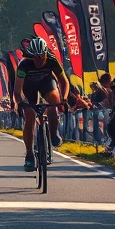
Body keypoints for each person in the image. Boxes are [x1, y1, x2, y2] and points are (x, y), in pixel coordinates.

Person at [13, 37, 69, 172]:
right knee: (30, 117)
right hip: (29, 86)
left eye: (41, 57)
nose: (39, 60)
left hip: (46, 82)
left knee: (54, 104)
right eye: (35, 58)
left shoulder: (51, 60)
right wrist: (20, 103)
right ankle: (29, 154)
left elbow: (64, 82)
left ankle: (54, 133)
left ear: (45, 53)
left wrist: (65, 99)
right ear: (31, 55)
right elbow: (17, 90)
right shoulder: (24, 64)